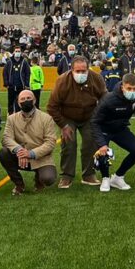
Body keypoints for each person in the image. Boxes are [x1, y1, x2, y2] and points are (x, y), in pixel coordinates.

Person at [46, 56, 106, 189]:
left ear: (88, 69)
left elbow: (104, 97)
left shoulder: (96, 78)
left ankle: (89, 174)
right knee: (69, 143)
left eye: (84, 71)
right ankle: (67, 176)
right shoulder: (62, 81)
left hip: (90, 116)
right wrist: (63, 125)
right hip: (67, 117)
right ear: (71, 70)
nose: (81, 74)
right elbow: (52, 107)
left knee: (90, 142)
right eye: (77, 71)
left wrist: (97, 116)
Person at [91, 73, 135, 192]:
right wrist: (102, 143)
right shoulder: (108, 99)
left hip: (120, 129)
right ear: (122, 87)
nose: (132, 91)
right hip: (104, 130)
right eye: (129, 88)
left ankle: (118, 177)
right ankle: (105, 178)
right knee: (103, 153)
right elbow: (94, 122)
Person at [0, 89, 59, 195]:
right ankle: (19, 184)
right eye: (22, 99)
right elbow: (6, 138)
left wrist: (31, 154)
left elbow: (50, 143)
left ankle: (39, 179)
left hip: (40, 158)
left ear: (34, 100)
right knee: (3, 152)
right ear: (18, 102)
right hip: (19, 157)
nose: (26, 100)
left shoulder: (46, 118)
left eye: (28, 98)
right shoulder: (12, 119)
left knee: (48, 178)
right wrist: (20, 151)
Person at [3, 48, 32, 114]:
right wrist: (6, 83)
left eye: (19, 51)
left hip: (21, 85)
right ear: (13, 52)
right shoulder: (9, 62)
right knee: (10, 101)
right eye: (16, 51)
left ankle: (19, 113)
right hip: (11, 85)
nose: (17, 52)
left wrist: (26, 84)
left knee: (20, 100)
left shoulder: (24, 62)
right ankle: (10, 113)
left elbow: (28, 73)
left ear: (21, 52)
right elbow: (5, 73)